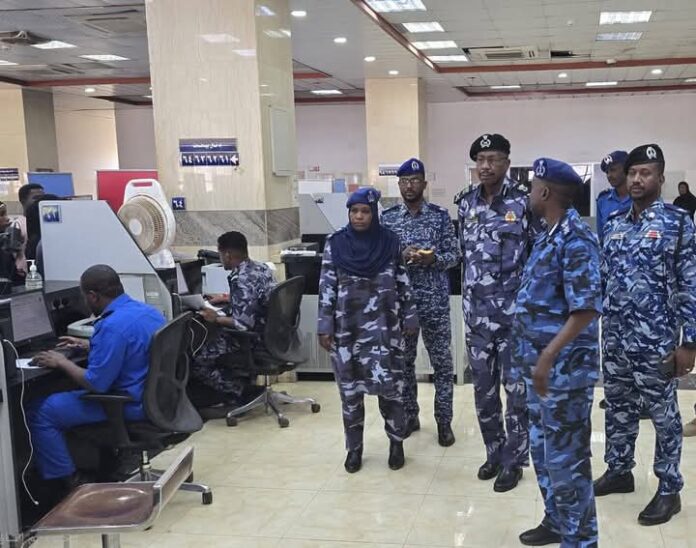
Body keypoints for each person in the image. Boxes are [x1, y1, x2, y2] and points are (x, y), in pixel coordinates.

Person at [594, 144, 696, 526]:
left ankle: (669, 488)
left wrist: (690, 342)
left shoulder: (678, 222)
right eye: (633, 172)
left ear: (661, 177)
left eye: (646, 172)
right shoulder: (615, 222)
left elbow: (690, 282)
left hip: (656, 340)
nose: (637, 179)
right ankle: (620, 470)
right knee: (618, 405)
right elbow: (604, 277)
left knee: (663, 413)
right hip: (616, 337)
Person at [514, 158, 601, 547]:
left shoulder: (576, 239)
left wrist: (548, 355)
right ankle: (556, 521)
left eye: (533, 187)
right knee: (544, 453)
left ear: (546, 192)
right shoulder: (547, 235)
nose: (530, 193)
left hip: (564, 374)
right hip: (540, 372)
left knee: (569, 464)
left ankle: (581, 540)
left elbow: (586, 309)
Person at [28, 265, 165, 486]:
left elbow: (96, 384)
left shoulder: (111, 327)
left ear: (93, 296)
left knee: (41, 410)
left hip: (128, 404)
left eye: (84, 296)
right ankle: (97, 466)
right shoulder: (148, 312)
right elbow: (134, 347)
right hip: (158, 398)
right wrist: (91, 345)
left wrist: (62, 362)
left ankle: (70, 483)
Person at [318, 187, 418, 473]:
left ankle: (396, 442)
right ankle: (354, 449)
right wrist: (324, 325)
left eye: (365, 211)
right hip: (347, 331)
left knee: (391, 390)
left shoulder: (390, 242)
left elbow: (403, 282)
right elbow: (327, 286)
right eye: (354, 211)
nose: (359, 216)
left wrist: (411, 317)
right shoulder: (335, 244)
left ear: (374, 214)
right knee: (350, 394)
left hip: (385, 329)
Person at [455, 133, 532, 492]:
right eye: (480, 159)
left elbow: (537, 256)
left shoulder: (524, 201)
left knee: (516, 395)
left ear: (507, 163)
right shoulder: (466, 204)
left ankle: (514, 462)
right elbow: (464, 256)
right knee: (484, 392)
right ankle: (494, 452)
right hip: (477, 318)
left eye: (493, 159)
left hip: (514, 318)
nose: (485, 166)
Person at [381, 158, 461, 446]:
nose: (409, 186)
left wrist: (433, 259)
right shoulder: (388, 219)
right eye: (404, 181)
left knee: (442, 364)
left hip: (434, 302)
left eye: (414, 181)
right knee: (404, 364)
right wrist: (400, 255)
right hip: (402, 305)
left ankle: (444, 422)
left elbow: (455, 255)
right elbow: (380, 259)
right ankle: (410, 416)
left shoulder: (440, 217)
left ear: (424, 184)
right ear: (399, 184)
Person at [188, 231, 275, 408]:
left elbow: (243, 324)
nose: (221, 259)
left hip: (254, 339)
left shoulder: (241, 278)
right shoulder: (261, 268)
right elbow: (257, 297)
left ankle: (241, 391)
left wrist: (215, 319)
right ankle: (241, 388)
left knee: (198, 359)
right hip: (273, 334)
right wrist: (227, 298)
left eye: (220, 254)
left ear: (227, 254)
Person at [596, 150, 631, 244]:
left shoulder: (639, 197)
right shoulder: (603, 200)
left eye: (613, 170)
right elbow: (602, 237)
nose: (609, 175)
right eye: (607, 172)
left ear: (626, 169)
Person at [15, 183, 44, 275]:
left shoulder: (46, 223)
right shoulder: (17, 224)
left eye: (42, 197)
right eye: (36, 198)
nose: (40, 201)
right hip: (26, 274)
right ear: (23, 201)